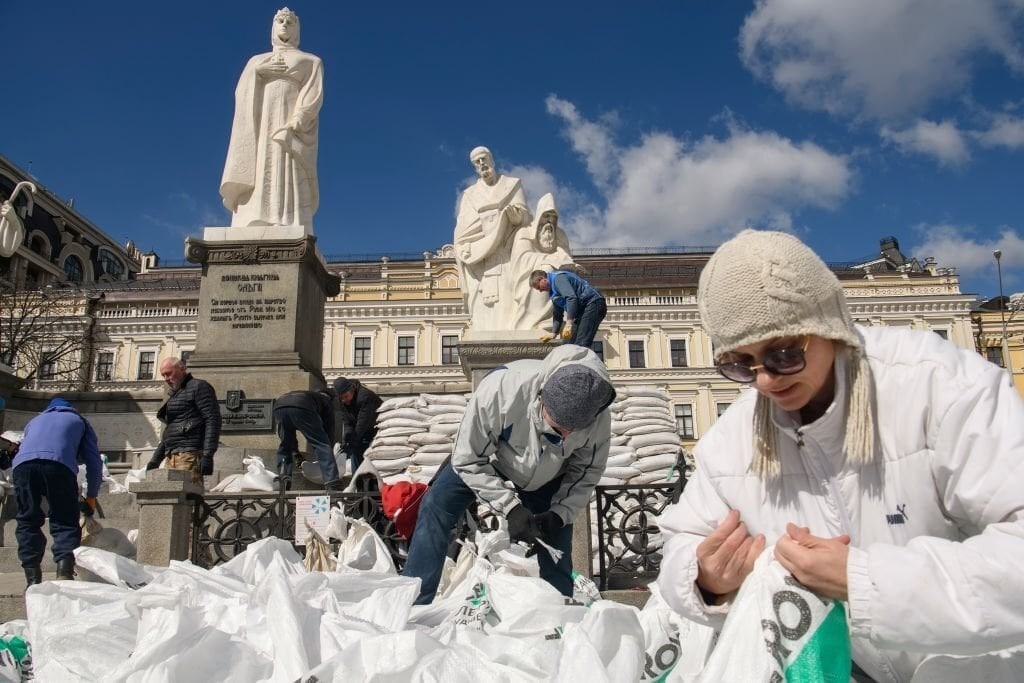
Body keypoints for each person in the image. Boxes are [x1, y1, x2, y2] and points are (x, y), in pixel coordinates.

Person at [657, 229, 1024, 681]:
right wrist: (705, 578)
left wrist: (864, 581)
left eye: (782, 355)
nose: (765, 381)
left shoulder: (941, 386)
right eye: (739, 365)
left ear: (828, 324)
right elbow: (681, 542)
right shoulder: (734, 436)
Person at [402, 344, 615, 604]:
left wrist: (559, 515)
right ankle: (414, 601)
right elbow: (468, 459)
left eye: (573, 430)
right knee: (436, 505)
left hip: (549, 474)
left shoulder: (598, 416)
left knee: (556, 536)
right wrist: (511, 509)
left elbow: (587, 471)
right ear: (541, 397)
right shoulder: (500, 390)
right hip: (491, 459)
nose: (565, 435)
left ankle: (558, 610)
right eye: (557, 427)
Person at [220, 7, 323, 231]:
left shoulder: (310, 61)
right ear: (273, 27)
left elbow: (312, 95)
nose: (284, 25)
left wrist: (297, 121)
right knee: (260, 161)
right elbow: (241, 92)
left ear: (297, 29)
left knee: (285, 162)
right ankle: (253, 216)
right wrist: (257, 72)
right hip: (261, 123)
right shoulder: (257, 61)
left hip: (288, 124)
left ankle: (286, 218)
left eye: (289, 22)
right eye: (280, 21)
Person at [13, 398, 102, 585]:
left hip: (22, 467)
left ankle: (32, 579)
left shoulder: (34, 421)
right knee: (64, 519)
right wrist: (91, 496)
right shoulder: (80, 421)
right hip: (59, 467)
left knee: (27, 520)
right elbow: (94, 463)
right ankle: (64, 572)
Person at [453, 146, 531, 330]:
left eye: (484, 159)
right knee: (485, 313)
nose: (482, 164)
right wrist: (489, 228)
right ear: (475, 167)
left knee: (509, 300)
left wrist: (515, 217)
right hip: (482, 260)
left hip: (508, 255)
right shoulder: (470, 195)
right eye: (477, 162)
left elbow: (526, 218)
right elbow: (463, 230)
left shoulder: (512, 185)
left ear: (492, 160)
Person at [147, 358, 221, 487]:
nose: (166, 378)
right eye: (163, 375)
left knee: (189, 495)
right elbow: (171, 429)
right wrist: (155, 459)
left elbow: (212, 419)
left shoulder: (198, 387)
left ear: (182, 369)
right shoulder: (176, 394)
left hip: (189, 454)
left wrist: (208, 455)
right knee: (172, 495)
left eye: (169, 373)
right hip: (172, 454)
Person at [510, 192, 575, 330]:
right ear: (539, 216)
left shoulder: (560, 234)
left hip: (556, 277)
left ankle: (560, 316)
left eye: (553, 217)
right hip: (527, 279)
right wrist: (550, 259)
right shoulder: (525, 232)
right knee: (547, 270)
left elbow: (565, 258)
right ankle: (537, 319)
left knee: (561, 275)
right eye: (546, 216)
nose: (549, 220)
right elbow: (521, 259)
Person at [273, 389, 344, 490]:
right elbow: (328, 430)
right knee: (322, 444)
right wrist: (328, 450)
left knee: (285, 445)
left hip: (279, 406)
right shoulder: (326, 400)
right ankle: (332, 482)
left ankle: (283, 481)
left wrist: (295, 452)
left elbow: (289, 437)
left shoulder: (311, 396)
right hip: (301, 406)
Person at [530, 269, 607, 350]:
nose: (540, 290)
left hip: (593, 304)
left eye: (539, 287)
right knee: (569, 344)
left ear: (543, 279)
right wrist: (554, 333)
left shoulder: (558, 279)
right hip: (583, 311)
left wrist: (569, 323)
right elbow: (557, 314)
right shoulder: (553, 293)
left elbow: (571, 298)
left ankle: (581, 357)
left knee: (581, 344)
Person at [333, 377, 382, 475]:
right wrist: (348, 435)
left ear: (352, 390)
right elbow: (346, 419)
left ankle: (371, 479)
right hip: (360, 429)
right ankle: (357, 479)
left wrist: (353, 438)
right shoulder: (343, 400)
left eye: (346, 396)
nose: (344, 400)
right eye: (341, 398)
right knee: (354, 449)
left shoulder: (365, 397)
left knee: (364, 450)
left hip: (374, 426)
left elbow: (363, 422)